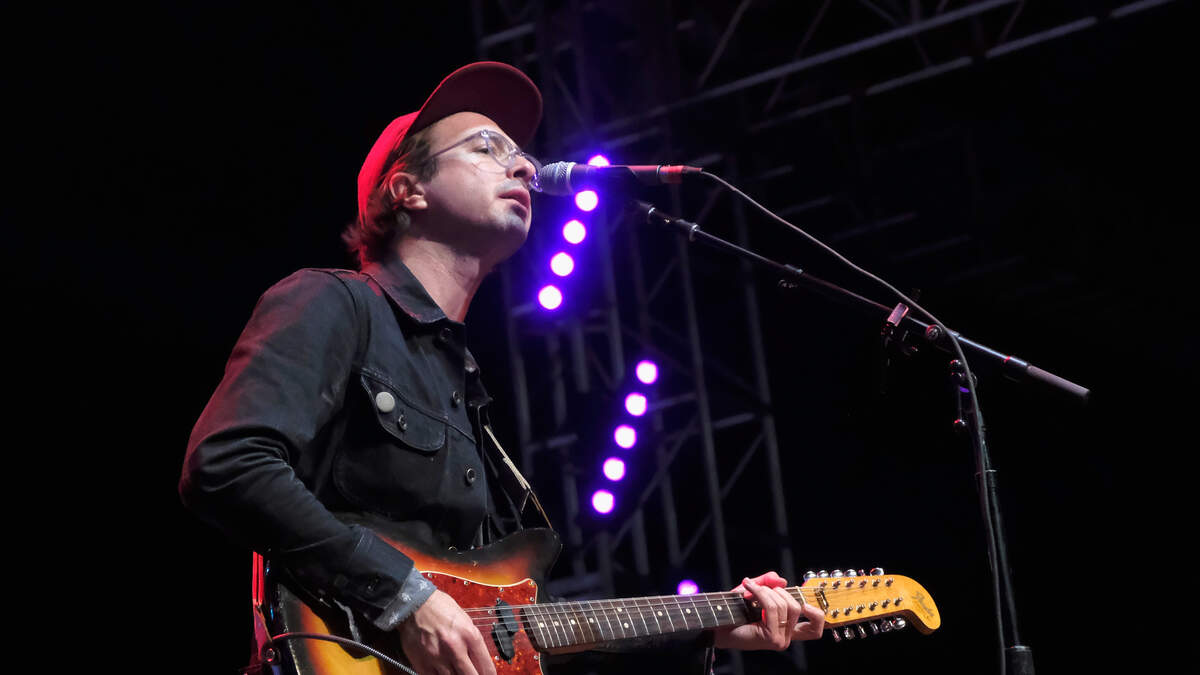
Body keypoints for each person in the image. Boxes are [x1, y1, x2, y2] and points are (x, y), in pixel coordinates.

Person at [179, 61, 824, 675]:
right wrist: (404, 596)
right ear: (408, 189)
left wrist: (712, 625)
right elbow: (226, 464)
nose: (521, 164)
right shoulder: (332, 302)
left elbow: (517, 637)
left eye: (521, 153)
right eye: (485, 146)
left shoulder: (468, 393)